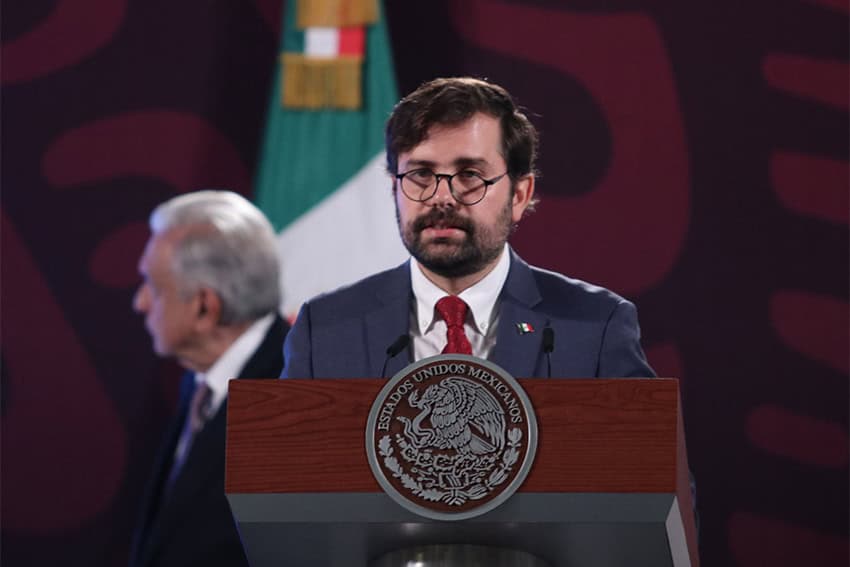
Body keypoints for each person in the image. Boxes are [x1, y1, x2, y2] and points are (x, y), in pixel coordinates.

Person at [281, 77, 654, 380]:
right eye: (421, 174)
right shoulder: (326, 329)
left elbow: (653, 471)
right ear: (394, 188)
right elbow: (286, 471)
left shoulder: (594, 325)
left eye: (469, 175)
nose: (442, 197)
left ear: (520, 195)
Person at [129, 190, 289, 567]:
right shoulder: (202, 381)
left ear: (204, 307)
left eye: (153, 286)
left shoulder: (297, 393)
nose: (140, 303)